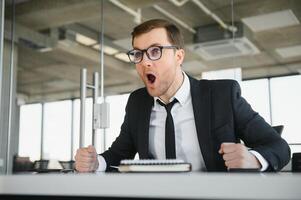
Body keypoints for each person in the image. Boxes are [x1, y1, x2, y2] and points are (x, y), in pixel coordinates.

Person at [75, 19, 290, 172]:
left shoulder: (222, 95)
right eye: (138, 54)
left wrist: (253, 159)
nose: (145, 62)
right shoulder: (137, 102)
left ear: (179, 56)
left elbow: (278, 147)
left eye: (155, 51)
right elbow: (119, 154)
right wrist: (96, 163)